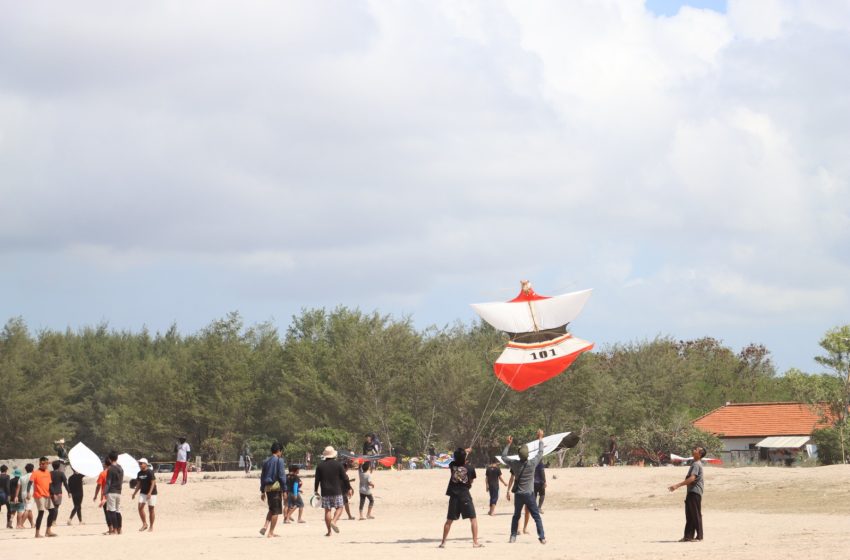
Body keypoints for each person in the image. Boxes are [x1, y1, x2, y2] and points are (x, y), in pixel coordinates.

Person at [500, 431, 546, 544]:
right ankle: (542, 537)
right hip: (529, 494)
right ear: (528, 455)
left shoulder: (515, 464)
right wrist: (540, 438)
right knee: (536, 517)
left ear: (519, 455)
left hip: (519, 495)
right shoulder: (532, 463)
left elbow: (503, 457)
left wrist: (508, 444)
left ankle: (513, 536)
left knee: (516, 516)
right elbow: (540, 452)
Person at [438, 446, 481, 548]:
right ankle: (475, 542)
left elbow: (456, 460)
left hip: (453, 496)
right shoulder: (470, 468)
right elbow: (471, 481)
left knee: (449, 521)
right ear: (464, 458)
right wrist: (465, 454)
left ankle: (443, 542)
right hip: (465, 495)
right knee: (473, 519)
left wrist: (464, 452)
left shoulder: (452, 465)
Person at [669, 446, 706, 542]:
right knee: (690, 515)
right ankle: (688, 536)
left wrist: (677, 485)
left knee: (695, 514)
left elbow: (692, 478)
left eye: (696, 450)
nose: (694, 450)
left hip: (695, 492)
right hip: (691, 492)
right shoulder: (694, 463)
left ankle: (699, 537)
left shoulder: (696, 464)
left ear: (700, 454)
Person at [314, 446, 348, 537]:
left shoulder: (320, 466)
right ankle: (334, 521)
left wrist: (315, 491)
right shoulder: (338, 465)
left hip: (325, 491)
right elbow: (345, 478)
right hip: (337, 490)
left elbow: (317, 480)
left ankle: (329, 532)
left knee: (327, 511)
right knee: (340, 507)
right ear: (334, 455)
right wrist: (349, 488)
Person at [259, 442, 287, 538]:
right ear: (279, 451)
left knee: (271, 509)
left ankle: (265, 526)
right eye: (281, 451)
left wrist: (262, 491)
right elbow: (282, 476)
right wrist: (285, 490)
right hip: (275, 488)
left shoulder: (266, 461)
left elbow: (262, 477)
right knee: (276, 511)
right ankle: (271, 532)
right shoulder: (279, 461)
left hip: (267, 488)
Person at [31, 456, 57, 537]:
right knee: (41, 512)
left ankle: (48, 531)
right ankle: (37, 533)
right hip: (39, 495)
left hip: (47, 494)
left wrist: (53, 494)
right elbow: (30, 483)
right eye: (43, 463)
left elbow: (50, 484)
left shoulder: (47, 472)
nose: (45, 465)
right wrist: (28, 492)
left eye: (46, 463)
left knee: (52, 511)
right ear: (40, 464)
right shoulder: (35, 473)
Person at [131, 458, 157, 532]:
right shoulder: (139, 473)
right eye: (139, 463)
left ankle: (151, 526)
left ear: (145, 464)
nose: (140, 464)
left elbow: (153, 483)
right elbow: (139, 484)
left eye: (141, 463)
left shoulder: (150, 472)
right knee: (140, 507)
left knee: (151, 509)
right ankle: (144, 524)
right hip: (143, 492)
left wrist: (150, 493)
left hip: (152, 493)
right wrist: (134, 493)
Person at [102, 451, 124, 535]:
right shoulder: (121, 468)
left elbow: (108, 482)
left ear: (110, 459)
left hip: (111, 491)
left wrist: (104, 493)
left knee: (112, 511)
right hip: (119, 491)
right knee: (118, 510)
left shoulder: (110, 469)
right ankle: (120, 529)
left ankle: (114, 529)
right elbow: (121, 480)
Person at [48, 460, 69, 530]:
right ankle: (54, 521)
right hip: (59, 493)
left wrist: (52, 493)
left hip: (50, 493)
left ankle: (51, 521)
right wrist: (69, 492)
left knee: (51, 508)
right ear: (59, 466)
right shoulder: (61, 474)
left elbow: (49, 484)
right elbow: (65, 484)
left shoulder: (49, 474)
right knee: (56, 508)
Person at [93, 458, 111, 534]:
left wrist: (95, 495)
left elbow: (98, 486)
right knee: (114, 512)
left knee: (107, 513)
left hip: (105, 496)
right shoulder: (114, 472)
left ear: (105, 464)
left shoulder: (102, 473)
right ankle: (117, 528)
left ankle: (111, 529)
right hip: (114, 494)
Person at [19, 463, 35, 529]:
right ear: (32, 469)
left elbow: (19, 486)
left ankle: (32, 524)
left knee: (29, 509)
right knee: (27, 509)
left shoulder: (22, 477)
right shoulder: (33, 475)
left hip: (23, 493)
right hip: (29, 493)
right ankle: (21, 524)